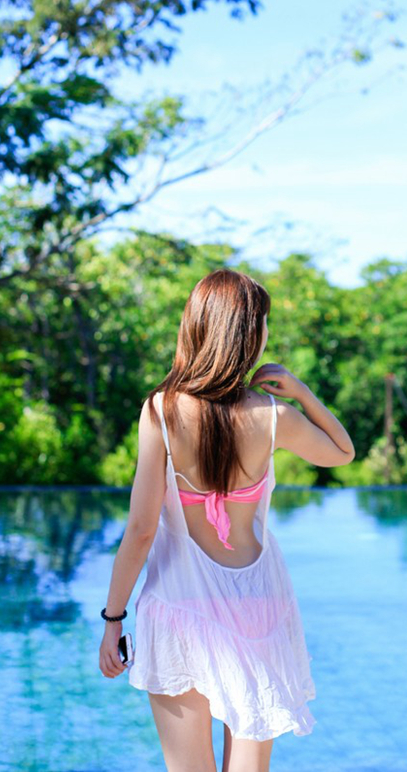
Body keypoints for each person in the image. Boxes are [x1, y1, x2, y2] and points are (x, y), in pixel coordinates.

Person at [99, 267, 355, 772]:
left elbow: (142, 530)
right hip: (257, 604)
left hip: (178, 608)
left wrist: (113, 619)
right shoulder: (273, 417)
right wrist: (300, 391)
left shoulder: (162, 412)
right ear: (250, 336)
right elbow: (342, 453)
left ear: (196, 328)